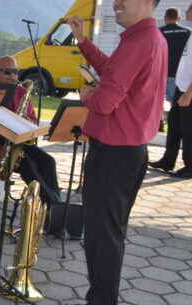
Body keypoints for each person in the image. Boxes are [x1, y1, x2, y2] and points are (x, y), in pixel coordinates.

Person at [66, 0, 167, 303]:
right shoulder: (150, 38)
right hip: (128, 152)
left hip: (113, 154)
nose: (116, 2)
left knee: (102, 238)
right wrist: (83, 42)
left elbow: (106, 101)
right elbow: (113, 70)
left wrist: (87, 95)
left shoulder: (139, 41)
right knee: (109, 234)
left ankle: (101, 299)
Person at [0, 56, 63, 206]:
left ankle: (52, 209)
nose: (13, 76)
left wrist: (27, 120)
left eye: (15, 72)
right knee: (27, 165)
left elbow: (34, 120)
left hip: (20, 142)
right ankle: (55, 208)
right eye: (7, 72)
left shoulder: (22, 92)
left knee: (48, 161)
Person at [150, 5, 192, 174]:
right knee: (174, 125)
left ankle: (190, 166)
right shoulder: (189, 33)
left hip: (188, 92)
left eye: (190, 8)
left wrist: (189, 94)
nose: (188, 11)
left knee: (188, 129)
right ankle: (168, 160)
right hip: (180, 88)